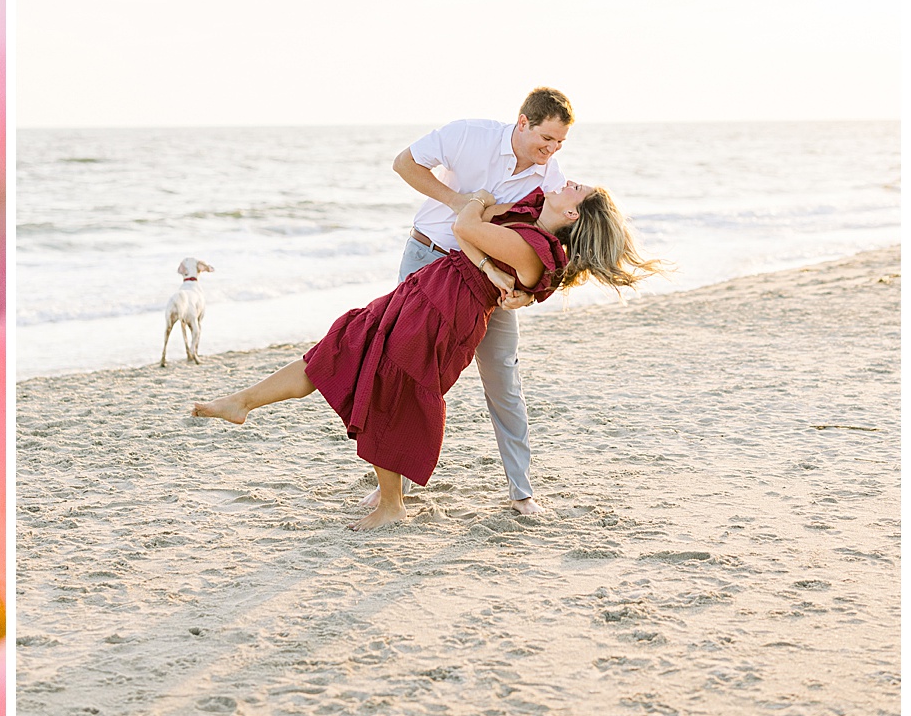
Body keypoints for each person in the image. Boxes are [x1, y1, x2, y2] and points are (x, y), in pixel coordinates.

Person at [191, 178, 665, 530]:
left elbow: (464, 225)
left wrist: (474, 201)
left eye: (576, 190)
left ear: (574, 216)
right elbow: (498, 222)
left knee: (390, 391)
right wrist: (489, 222)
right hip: (427, 295)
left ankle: (392, 504)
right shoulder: (534, 224)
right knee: (339, 348)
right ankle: (243, 403)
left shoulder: (531, 245)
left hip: (442, 314)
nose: (567, 182)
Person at [389, 87, 574, 515]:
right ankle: (390, 488)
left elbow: (548, 242)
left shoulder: (550, 176)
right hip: (428, 258)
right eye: (546, 139)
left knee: (504, 381)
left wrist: (527, 293)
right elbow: (404, 163)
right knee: (409, 374)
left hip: (490, 281)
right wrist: (458, 201)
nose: (552, 149)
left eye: (560, 142)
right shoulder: (469, 134)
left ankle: (522, 491)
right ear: (523, 122)